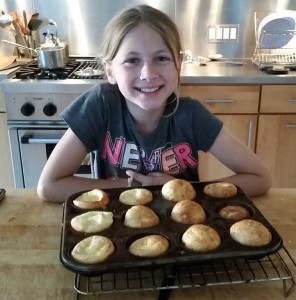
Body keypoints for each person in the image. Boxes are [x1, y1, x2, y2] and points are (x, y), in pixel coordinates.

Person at [37, 5, 272, 203]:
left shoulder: (191, 116)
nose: (148, 74)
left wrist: (182, 189)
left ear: (178, 64)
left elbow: (259, 177)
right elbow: (49, 186)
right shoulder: (100, 105)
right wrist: (132, 187)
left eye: (161, 58)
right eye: (132, 60)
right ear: (110, 70)